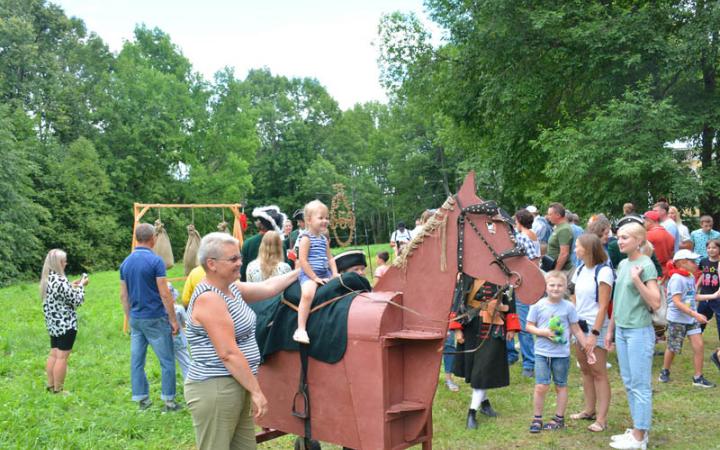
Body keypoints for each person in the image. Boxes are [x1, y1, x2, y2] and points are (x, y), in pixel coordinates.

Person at [184, 232, 298, 450]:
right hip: (216, 388)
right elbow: (228, 353)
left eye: (240, 257)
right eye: (233, 259)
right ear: (212, 264)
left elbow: (267, 288)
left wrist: (300, 273)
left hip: (235, 384)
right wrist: (257, 391)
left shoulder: (231, 289)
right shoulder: (210, 298)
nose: (240, 263)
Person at [606, 222, 661, 449]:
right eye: (619, 237)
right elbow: (618, 301)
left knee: (640, 384)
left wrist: (637, 280)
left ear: (639, 240)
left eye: (625, 237)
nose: (619, 241)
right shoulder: (623, 263)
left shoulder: (645, 265)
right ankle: (638, 429)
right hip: (622, 330)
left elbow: (655, 302)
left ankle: (640, 437)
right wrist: (610, 330)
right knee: (629, 382)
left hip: (639, 331)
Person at [120, 223, 181, 411]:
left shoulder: (125, 263)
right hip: (155, 317)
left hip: (136, 318)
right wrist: (173, 319)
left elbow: (123, 295)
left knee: (137, 361)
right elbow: (164, 293)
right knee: (167, 361)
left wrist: (130, 317)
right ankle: (169, 401)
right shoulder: (156, 262)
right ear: (153, 239)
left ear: (138, 238)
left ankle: (142, 400)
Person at [526, 271, 595, 433]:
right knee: (541, 386)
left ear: (565, 287)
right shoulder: (538, 305)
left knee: (561, 385)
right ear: (545, 286)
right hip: (542, 353)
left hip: (561, 355)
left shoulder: (569, 307)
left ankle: (559, 418)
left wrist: (587, 348)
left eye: (559, 285)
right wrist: (544, 333)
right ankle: (537, 418)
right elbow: (529, 326)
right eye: (552, 285)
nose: (556, 288)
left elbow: (576, 329)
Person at [452, 280, 520, 429]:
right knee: (478, 369)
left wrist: (511, 326)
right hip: (471, 325)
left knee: (483, 369)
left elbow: (510, 299)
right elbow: (458, 301)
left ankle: (472, 412)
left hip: (494, 326)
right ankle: (485, 403)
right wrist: (457, 329)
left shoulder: (504, 276)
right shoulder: (468, 274)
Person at [569, 234, 613, 432]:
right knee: (585, 369)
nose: (575, 249)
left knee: (599, 372)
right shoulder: (579, 269)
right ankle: (589, 410)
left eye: (577, 246)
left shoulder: (603, 272)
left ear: (587, 249)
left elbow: (603, 306)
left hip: (596, 326)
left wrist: (594, 334)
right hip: (579, 326)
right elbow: (573, 296)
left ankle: (601, 418)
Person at [658, 249, 717, 388]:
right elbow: (678, 302)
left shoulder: (690, 276)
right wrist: (696, 314)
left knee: (699, 346)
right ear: (682, 263)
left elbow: (692, 296)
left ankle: (698, 378)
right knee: (673, 347)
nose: (696, 264)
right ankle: (664, 372)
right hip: (678, 319)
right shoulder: (677, 279)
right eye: (692, 261)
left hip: (691, 319)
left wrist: (713, 296)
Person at [40, 249, 88, 394]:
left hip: (53, 324)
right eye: (64, 261)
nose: (66, 263)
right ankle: (59, 390)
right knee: (62, 358)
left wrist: (71, 286)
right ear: (59, 263)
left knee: (53, 354)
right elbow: (77, 301)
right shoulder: (60, 280)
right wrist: (81, 286)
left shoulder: (48, 278)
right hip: (65, 324)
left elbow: (62, 295)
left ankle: (51, 385)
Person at [294, 200, 338, 344]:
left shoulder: (324, 239)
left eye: (326, 217)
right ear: (308, 220)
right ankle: (301, 329)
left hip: (325, 273)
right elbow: (303, 261)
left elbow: (330, 259)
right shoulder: (306, 238)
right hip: (309, 274)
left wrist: (335, 274)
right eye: (321, 218)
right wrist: (314, 277)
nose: (325, 221)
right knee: (307, 294)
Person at [512, 208, 541, 377]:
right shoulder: (533, 234)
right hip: (533, 282)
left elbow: (532, 262)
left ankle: (529, 364)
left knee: (524, 325)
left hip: (525, 284)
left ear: (519, 221)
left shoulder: (522, 236)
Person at [240, 205, 287, 281]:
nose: (257, 221)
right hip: (277, 286)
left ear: (261, 224)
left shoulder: (248, 243)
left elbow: (242, 272)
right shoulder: (280, 244)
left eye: (259, 220)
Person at [168, 282, 191, 380]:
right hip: (179, 339)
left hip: (164, 341)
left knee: (168, 364)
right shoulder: (179, 308)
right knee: (186, 363)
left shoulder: (158, 310)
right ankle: (190, 382)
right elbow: (186, 323)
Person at [697, 239, 720, 339]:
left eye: (714, 248)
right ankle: (697, 334)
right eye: (709, 248)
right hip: (704, 294)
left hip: (717, 296)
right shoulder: (703, 261)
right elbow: (703, 274)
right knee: (701, 315)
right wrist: (697, 285)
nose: (711, 250)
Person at [546, 203, 575, 273]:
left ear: (558, 215)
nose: (548, 217)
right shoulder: (559, 227)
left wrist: (556, 272)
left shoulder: (564, 229)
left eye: (550, 214)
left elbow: (564, 254)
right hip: (556, 268)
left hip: (563, 271)